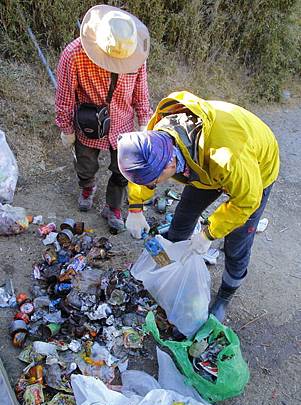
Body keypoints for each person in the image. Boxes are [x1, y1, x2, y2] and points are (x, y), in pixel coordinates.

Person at [117, 91, 280, 321]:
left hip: (255, 166)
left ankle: (226, 292)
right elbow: (141, 171)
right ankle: (168, 274)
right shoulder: (156, 137)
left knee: (237, 238)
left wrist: (209, 233)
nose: (153, 186)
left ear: (169, 164)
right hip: (201, 166)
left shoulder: (226, 156)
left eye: (154, 181)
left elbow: (246, 201)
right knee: (183, 218)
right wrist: (135, 207)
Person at [55, 4, 152, 232]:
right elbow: (65, 95)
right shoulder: (73, 54)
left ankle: (113, 207)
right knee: (85, 165)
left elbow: (141, 91)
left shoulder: (136, 53)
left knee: (122, 171)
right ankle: (87, 187)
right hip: (89, 124)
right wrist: (66, 127)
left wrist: (145, 121)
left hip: (123, 123)